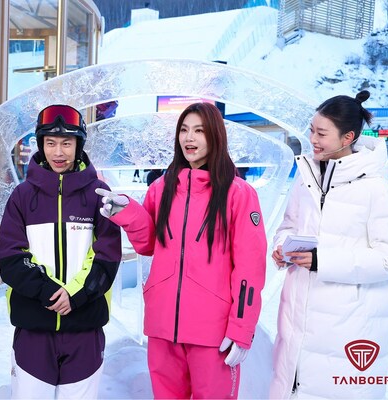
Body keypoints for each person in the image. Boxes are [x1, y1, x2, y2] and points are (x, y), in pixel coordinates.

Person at [96, 102, 267, 399]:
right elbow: (149, 243)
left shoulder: (238, 193)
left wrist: (242, 329)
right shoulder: (161, 188)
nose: (189, 138)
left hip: (212, 332)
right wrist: (128, 213)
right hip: (163, 326)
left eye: (199, 131)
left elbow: (250, 268)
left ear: (215, 136)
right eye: (184, 130)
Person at [269, 90, 388, 399]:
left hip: (347, 328)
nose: (312, 139)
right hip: (295, 325)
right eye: (311, 130)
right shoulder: (305, 178)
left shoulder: (375, 189)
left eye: (321, 133)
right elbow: (289, 226)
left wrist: (323, 261)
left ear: (348, 137)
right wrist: (283, 247)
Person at [0, 104, 122, 399]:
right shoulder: (22, 196)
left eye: (67, 143)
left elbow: (107, 256)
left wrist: (75, 295)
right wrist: (50, 292)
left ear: (78, 146)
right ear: (41, 145)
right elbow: (11, 256)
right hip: (34, 327)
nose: (58, 152)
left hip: (85, 327)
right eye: (50, 143)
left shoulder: (99, 195)